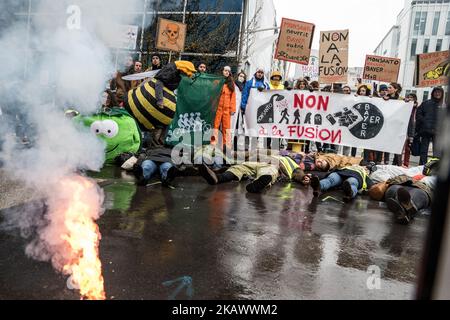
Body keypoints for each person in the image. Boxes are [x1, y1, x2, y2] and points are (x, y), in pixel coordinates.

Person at [197, 155, 306, 193]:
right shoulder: (275, 154)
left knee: (268, 172)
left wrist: (303, 178)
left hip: (273, 167)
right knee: (240, 167)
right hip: (258, 163)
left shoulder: (291, 162)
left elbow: (298, 173)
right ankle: (217, 178)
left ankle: (257, 185)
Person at [384, 158, 439, 224]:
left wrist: (420, 178)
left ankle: (404, 206)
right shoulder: (421, 169)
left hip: (422, 188)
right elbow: (407, 171)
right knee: (394, 189)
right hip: (404, 183)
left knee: (415, 194)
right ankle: (405, 209)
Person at [415, 87, 444, 165]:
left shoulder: (444, 105)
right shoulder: (426, 103)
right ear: (433, 93)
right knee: (423, 150)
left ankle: (434, 166)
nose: (437, 94)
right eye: (436, 92)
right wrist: (424, 121)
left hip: (438, 131)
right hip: (426, 130)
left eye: (439, 92)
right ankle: (422, 165)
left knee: (437, 151)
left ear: (442, 94)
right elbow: (418, 114)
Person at [212, 66, 236, 150]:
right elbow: (212, 94)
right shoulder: (217, 81)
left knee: (227, 128)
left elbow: (233, 97)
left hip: (227, 109)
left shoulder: (231, 83)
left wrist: (233, 109)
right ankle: (213, 144)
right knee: (215, 126)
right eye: (225, 70)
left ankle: (227, 146)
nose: (227, 72)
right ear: (222, 71)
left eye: (228, 71)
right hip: (217, 108)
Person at [341, 85, 357, 157]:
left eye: (348, 90)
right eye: (345, 90)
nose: (346, 92)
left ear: (350, 91)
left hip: (349, 123)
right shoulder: (338, 99)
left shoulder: (353, 99)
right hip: (340, 123)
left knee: (347, 142)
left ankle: (345, 157)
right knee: (337, 141)